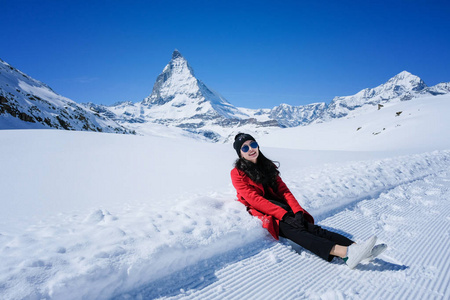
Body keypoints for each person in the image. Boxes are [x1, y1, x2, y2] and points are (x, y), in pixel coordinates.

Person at [230, 133, 386, 269]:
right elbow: (254, 199)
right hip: (265, 212)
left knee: (313, 229)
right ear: (240, 153)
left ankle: (360, 250)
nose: (251, 149)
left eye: (253, 144)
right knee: (297, 232)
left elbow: (284, 191)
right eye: (245, 148)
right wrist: (284, 216)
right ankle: (346, 254)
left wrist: (297, 211)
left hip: (281, 207)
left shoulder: (267, 166)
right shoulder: (237, 173)